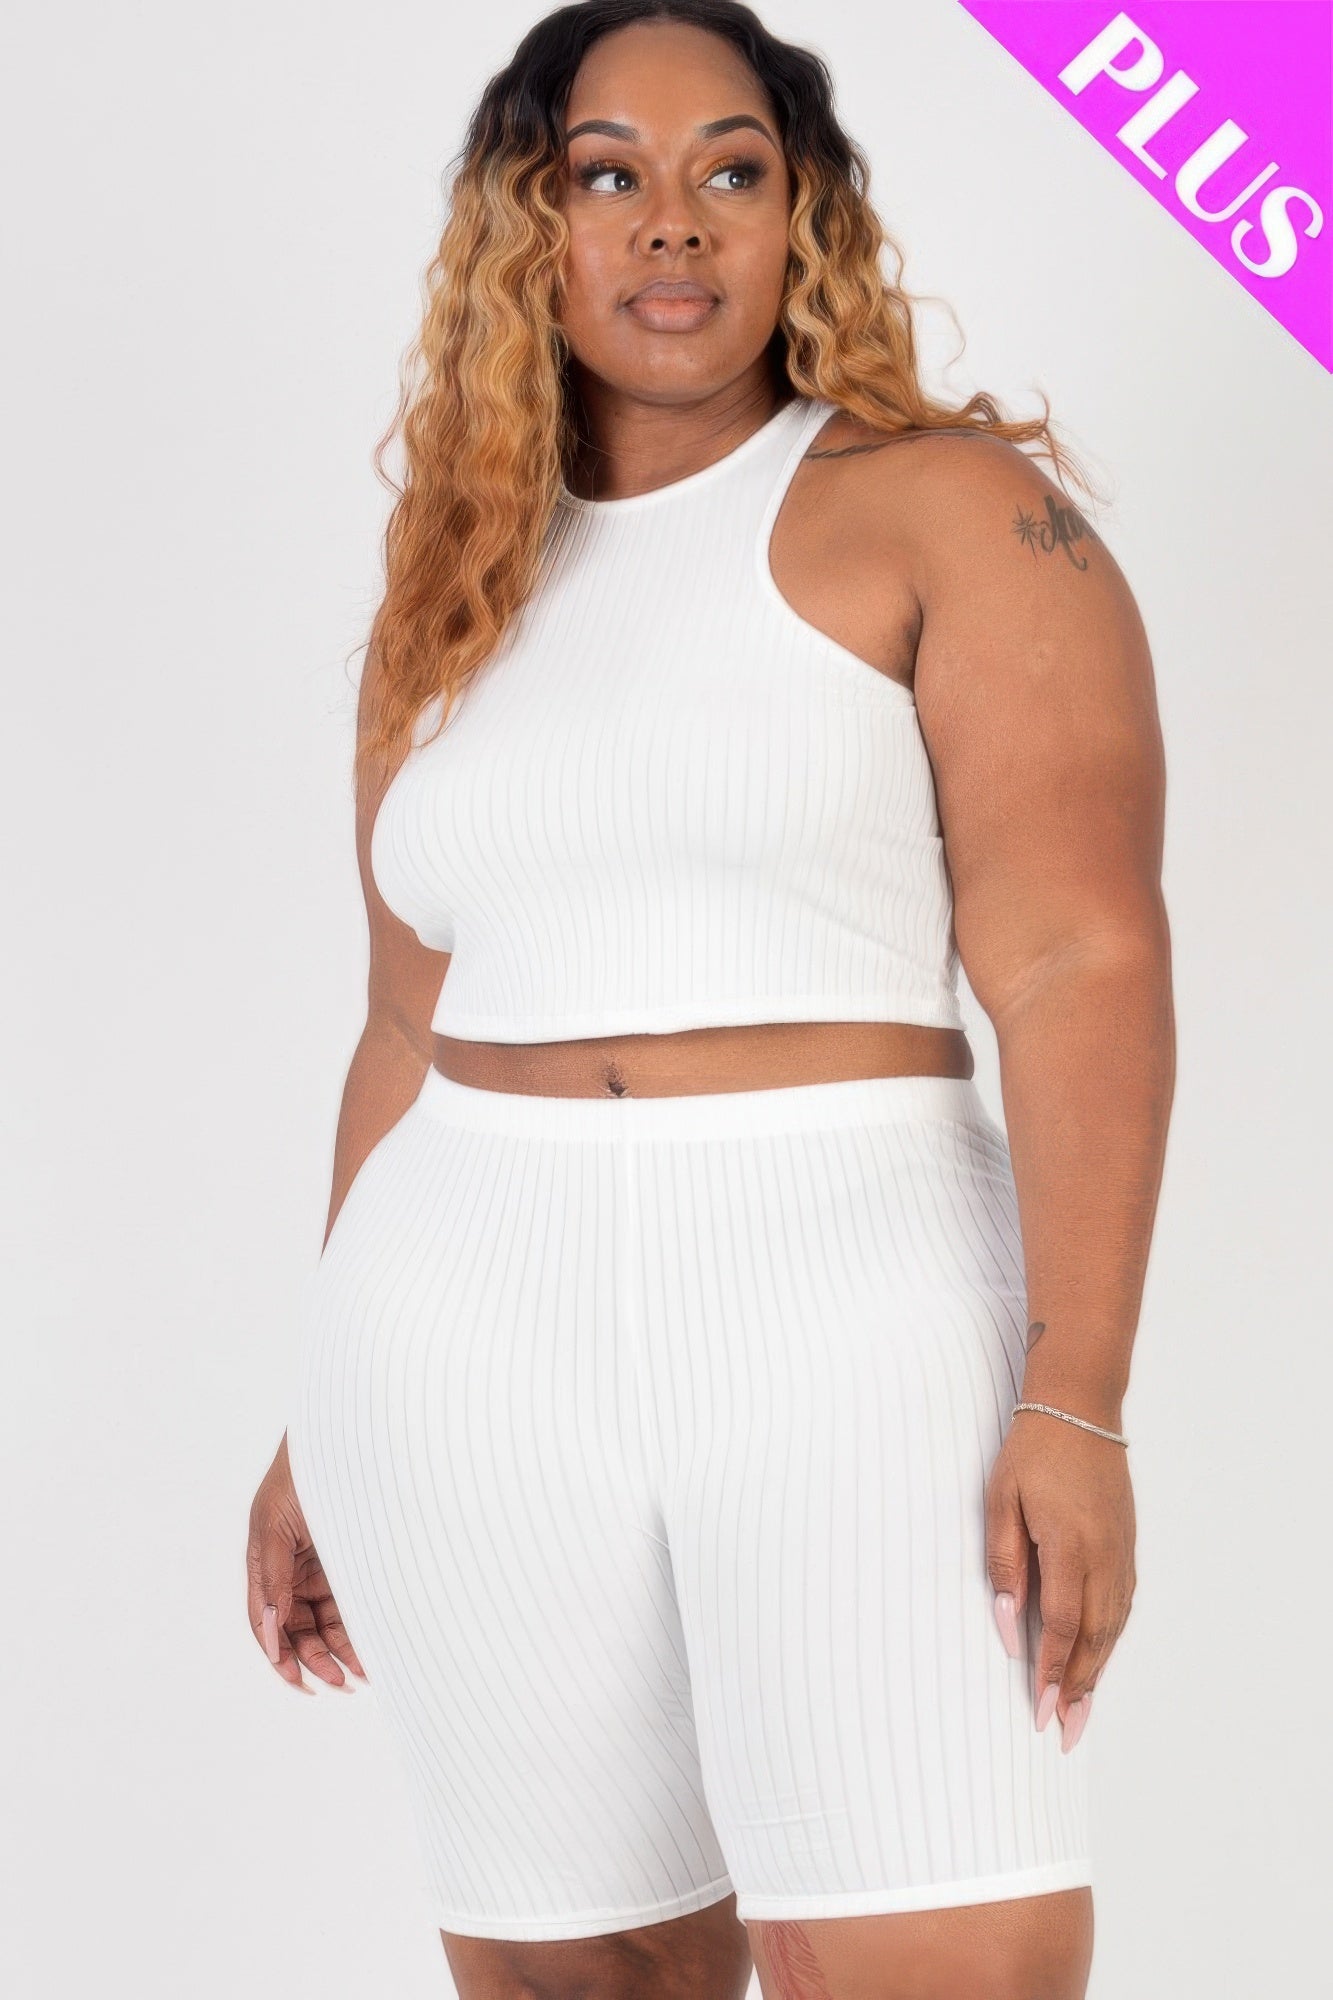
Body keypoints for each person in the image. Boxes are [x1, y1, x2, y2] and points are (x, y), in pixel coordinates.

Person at [245, 4, 1174, 1996]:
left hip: (847, 1302)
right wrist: (314, 1423)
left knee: (929, 1946)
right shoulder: (451, 584)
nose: (672, 222)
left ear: (799, 216)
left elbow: (1077, 955)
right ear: (528, 223)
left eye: (729, 170)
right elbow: (403, 1025)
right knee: (570, 1968)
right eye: (609, 175)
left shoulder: (948, 509)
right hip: (458, 1326)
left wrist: (1076, 1397)